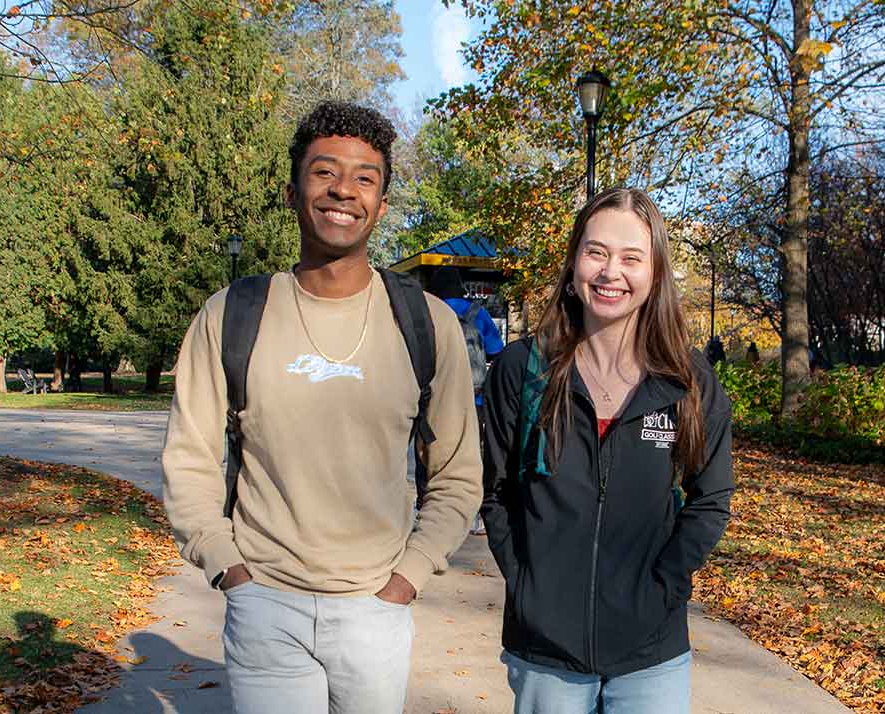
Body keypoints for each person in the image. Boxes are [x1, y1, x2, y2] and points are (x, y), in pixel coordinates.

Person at [162, 101, 482, 714]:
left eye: (365, 177)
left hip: (376, 609)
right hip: (265, 607)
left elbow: (458, 474)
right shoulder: (232, 314)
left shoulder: (427, 323)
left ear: (382, 204)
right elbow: (190, 459)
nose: (344, 190)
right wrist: (228, 567)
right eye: (324, 171)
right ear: (292, 191)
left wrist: (409, 575)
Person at [480, 188, 734, 713]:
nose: (610, 272)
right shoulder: (522, 370)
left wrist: (665, 586)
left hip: (651, 653)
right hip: (545, 651)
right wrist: (529, 584)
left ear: (656, 273)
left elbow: (711, 497)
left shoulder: (687, 381)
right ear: (574, 262)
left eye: (631, 258)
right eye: (596, 252)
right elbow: (493, 492)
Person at [425, 265, 504, 534]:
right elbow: (495, 351)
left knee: (428, 450)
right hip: (474, 399)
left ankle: (424, 511)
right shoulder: (476, 313)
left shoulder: (428, 310)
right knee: (472, 453)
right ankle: (472, 515)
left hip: (432, 397)